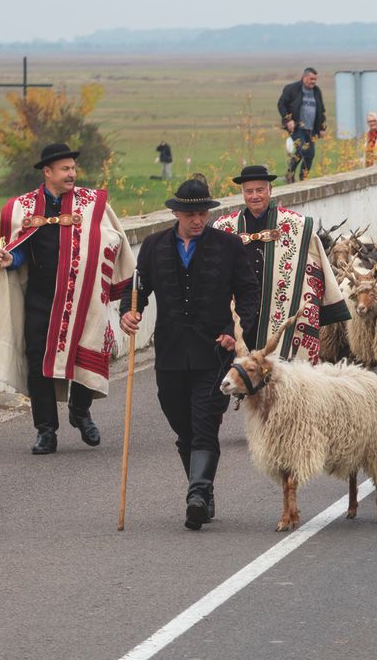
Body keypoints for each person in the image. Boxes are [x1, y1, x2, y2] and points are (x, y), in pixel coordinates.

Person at [120, 179, 260, 530]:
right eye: (190, 214)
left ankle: (196, 495)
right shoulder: (153, 246)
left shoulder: (228, 246)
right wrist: (129, 311)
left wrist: (234, 333)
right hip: (168, 352)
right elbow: (137, 288)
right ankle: (204, 490)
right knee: (182, 426)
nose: (197, 220)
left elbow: (248, 293)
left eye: (202, 214)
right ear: (176, 213)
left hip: (214, 352)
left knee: (204, 423)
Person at [0, 142, 135, 454]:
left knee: (83, 352)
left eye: (73, 169)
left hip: (83, 299)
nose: (71, 174)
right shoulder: (23, 209)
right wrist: (11, 259)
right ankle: (46, 431)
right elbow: (20, 246)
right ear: (47, 172)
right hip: (40, 298)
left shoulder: (92, 205)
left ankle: (80, 412)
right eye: (65, 169)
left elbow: (113, 240)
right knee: (37, 363)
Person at [211, 164, 350, 364]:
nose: (255, 196)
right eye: (249, 191)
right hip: (241, 313)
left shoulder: (297, 226)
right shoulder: (225, 227)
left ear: (270, 190)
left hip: (281, 310)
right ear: (242, 193)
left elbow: (315, 266)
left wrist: (315, 305)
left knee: (281, 381)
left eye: (260, 190)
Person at [278, 68, 327, 183]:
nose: (313, 81)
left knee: (309, 154)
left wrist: (322, 128)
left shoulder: (316, 91)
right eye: (311, 79)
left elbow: (321, 110)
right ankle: (290, 175)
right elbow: (281, 105)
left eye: (315, 79)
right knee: (303, 149)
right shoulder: (292, 89)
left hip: (311, 129)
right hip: (296, 127)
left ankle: (303, 178)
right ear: (304, 77)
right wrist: (288, 120)